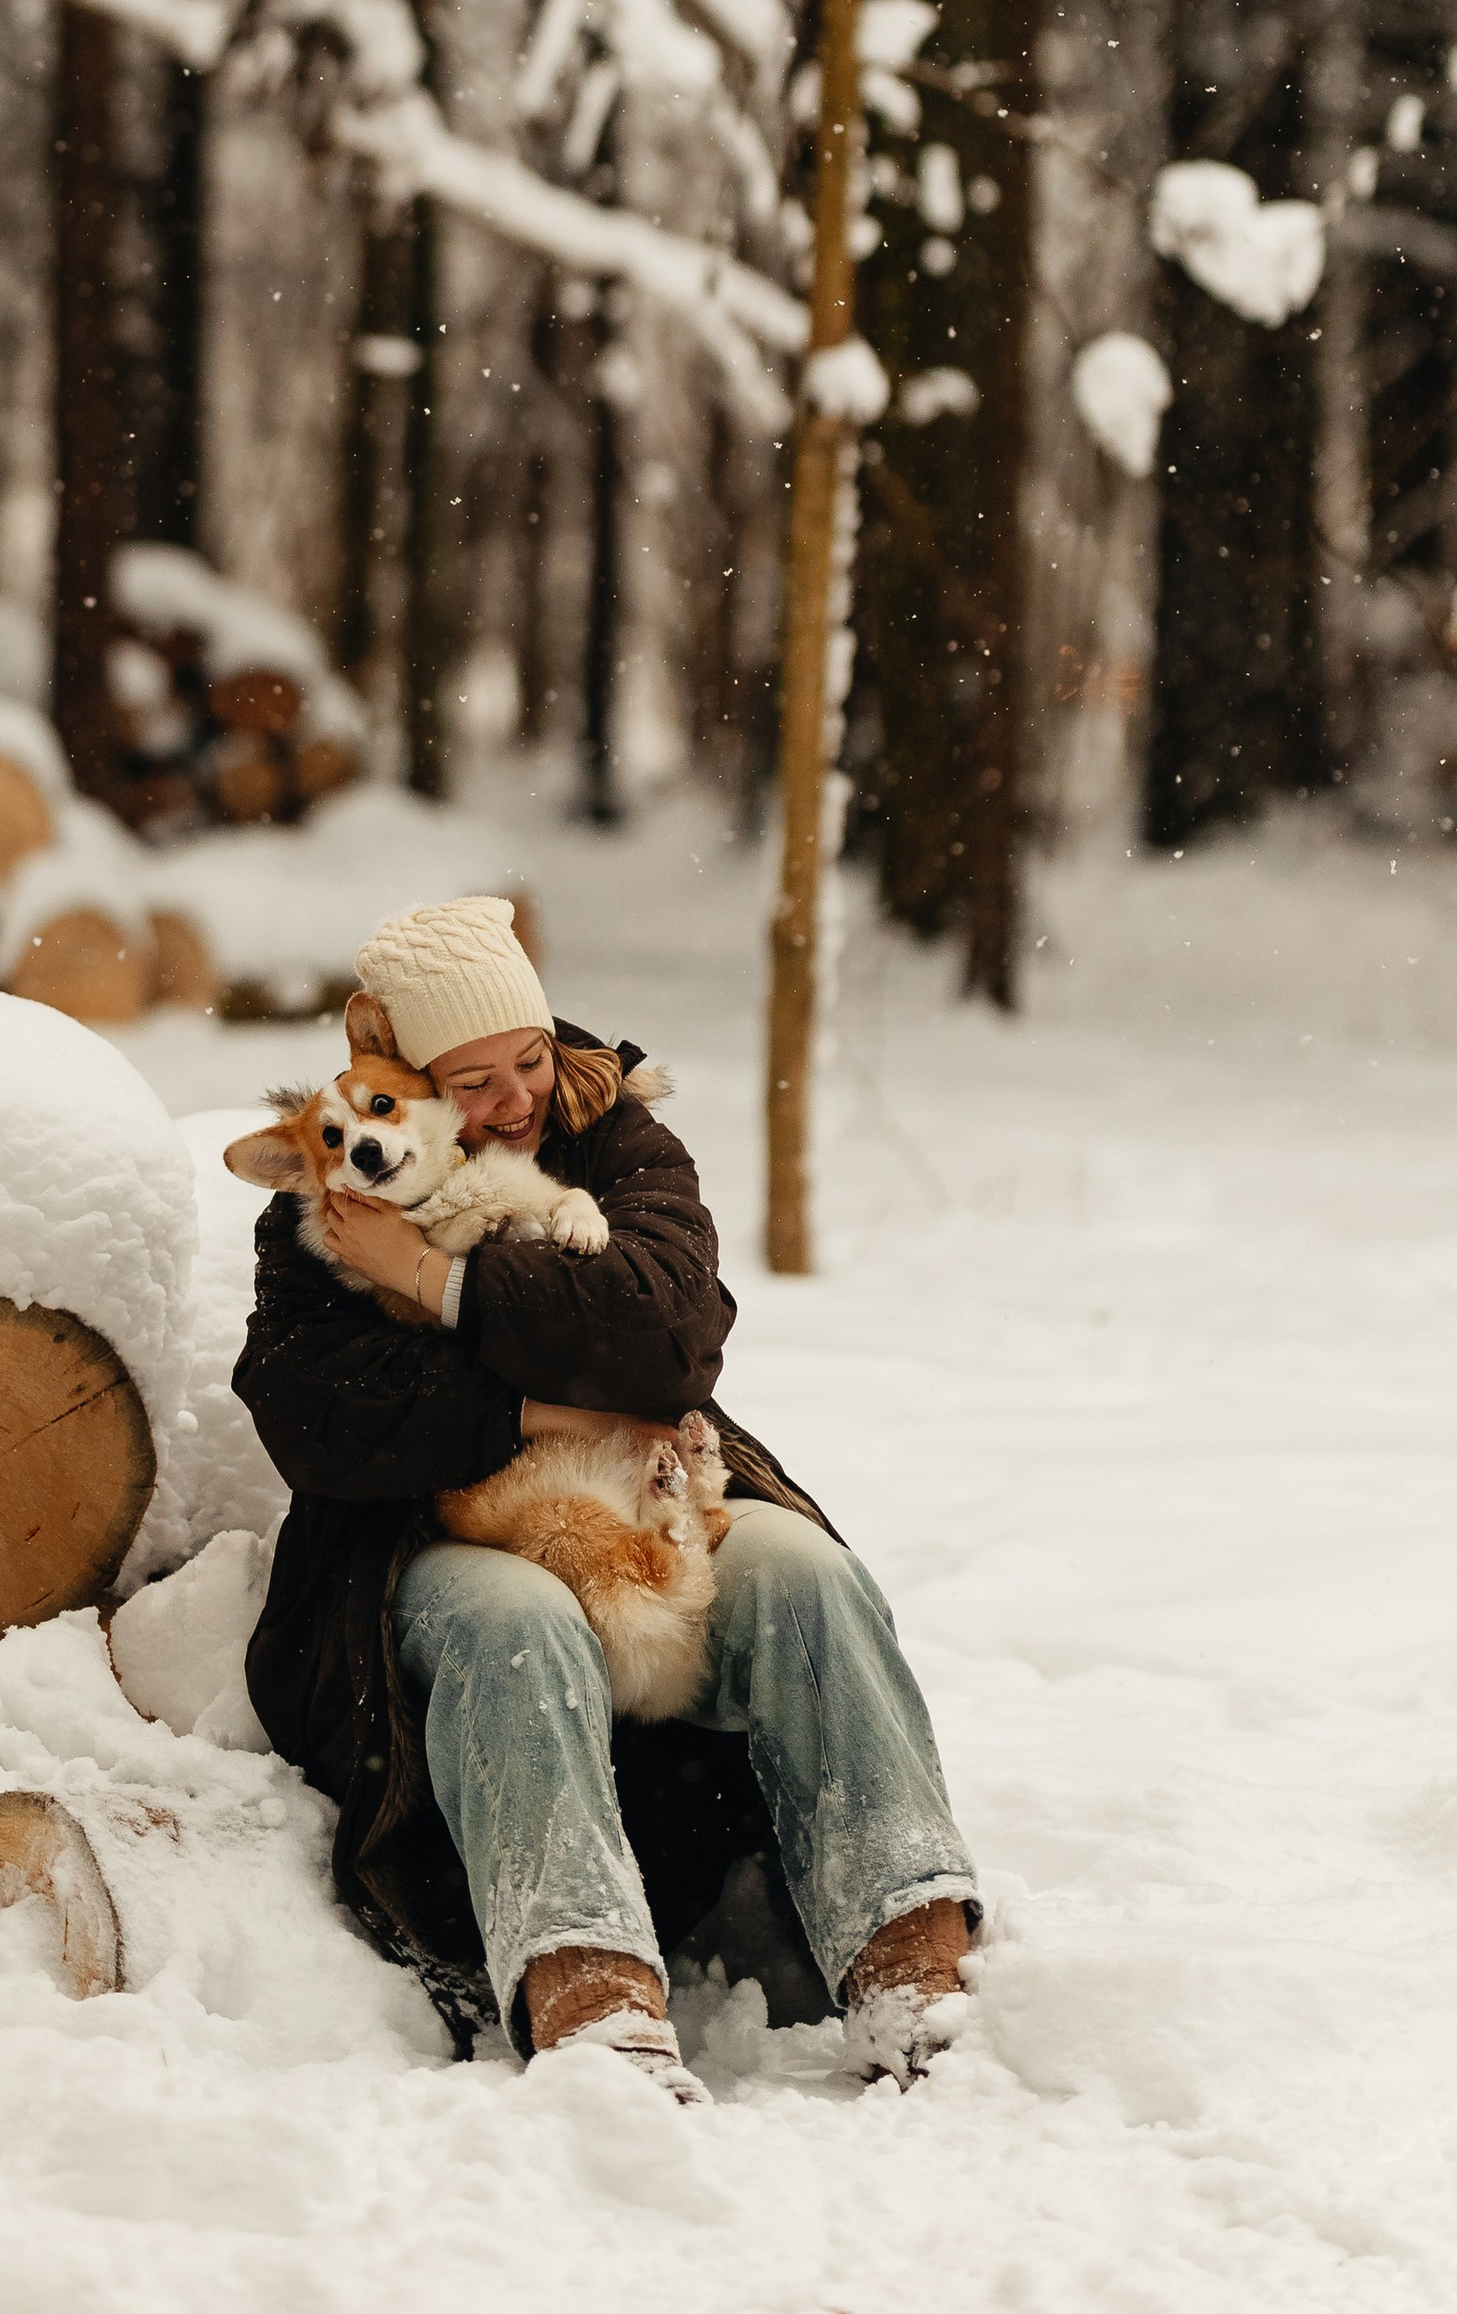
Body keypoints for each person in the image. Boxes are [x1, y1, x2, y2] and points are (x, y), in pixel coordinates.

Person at [234, 893, 978, 2100]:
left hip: (635, 1491)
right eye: (471, 1082)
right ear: (401, 1079)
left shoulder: (614, 1137)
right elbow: (317, 1413)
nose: (516, 1096)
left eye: (526, 1058)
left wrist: (436, 1283)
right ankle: (586, 1984)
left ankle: (908, 1947)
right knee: (516, 1624)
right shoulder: (336, 1185)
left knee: (805, 1575)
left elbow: (669, 1337)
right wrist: (542, 1404)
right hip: (425, 1537)